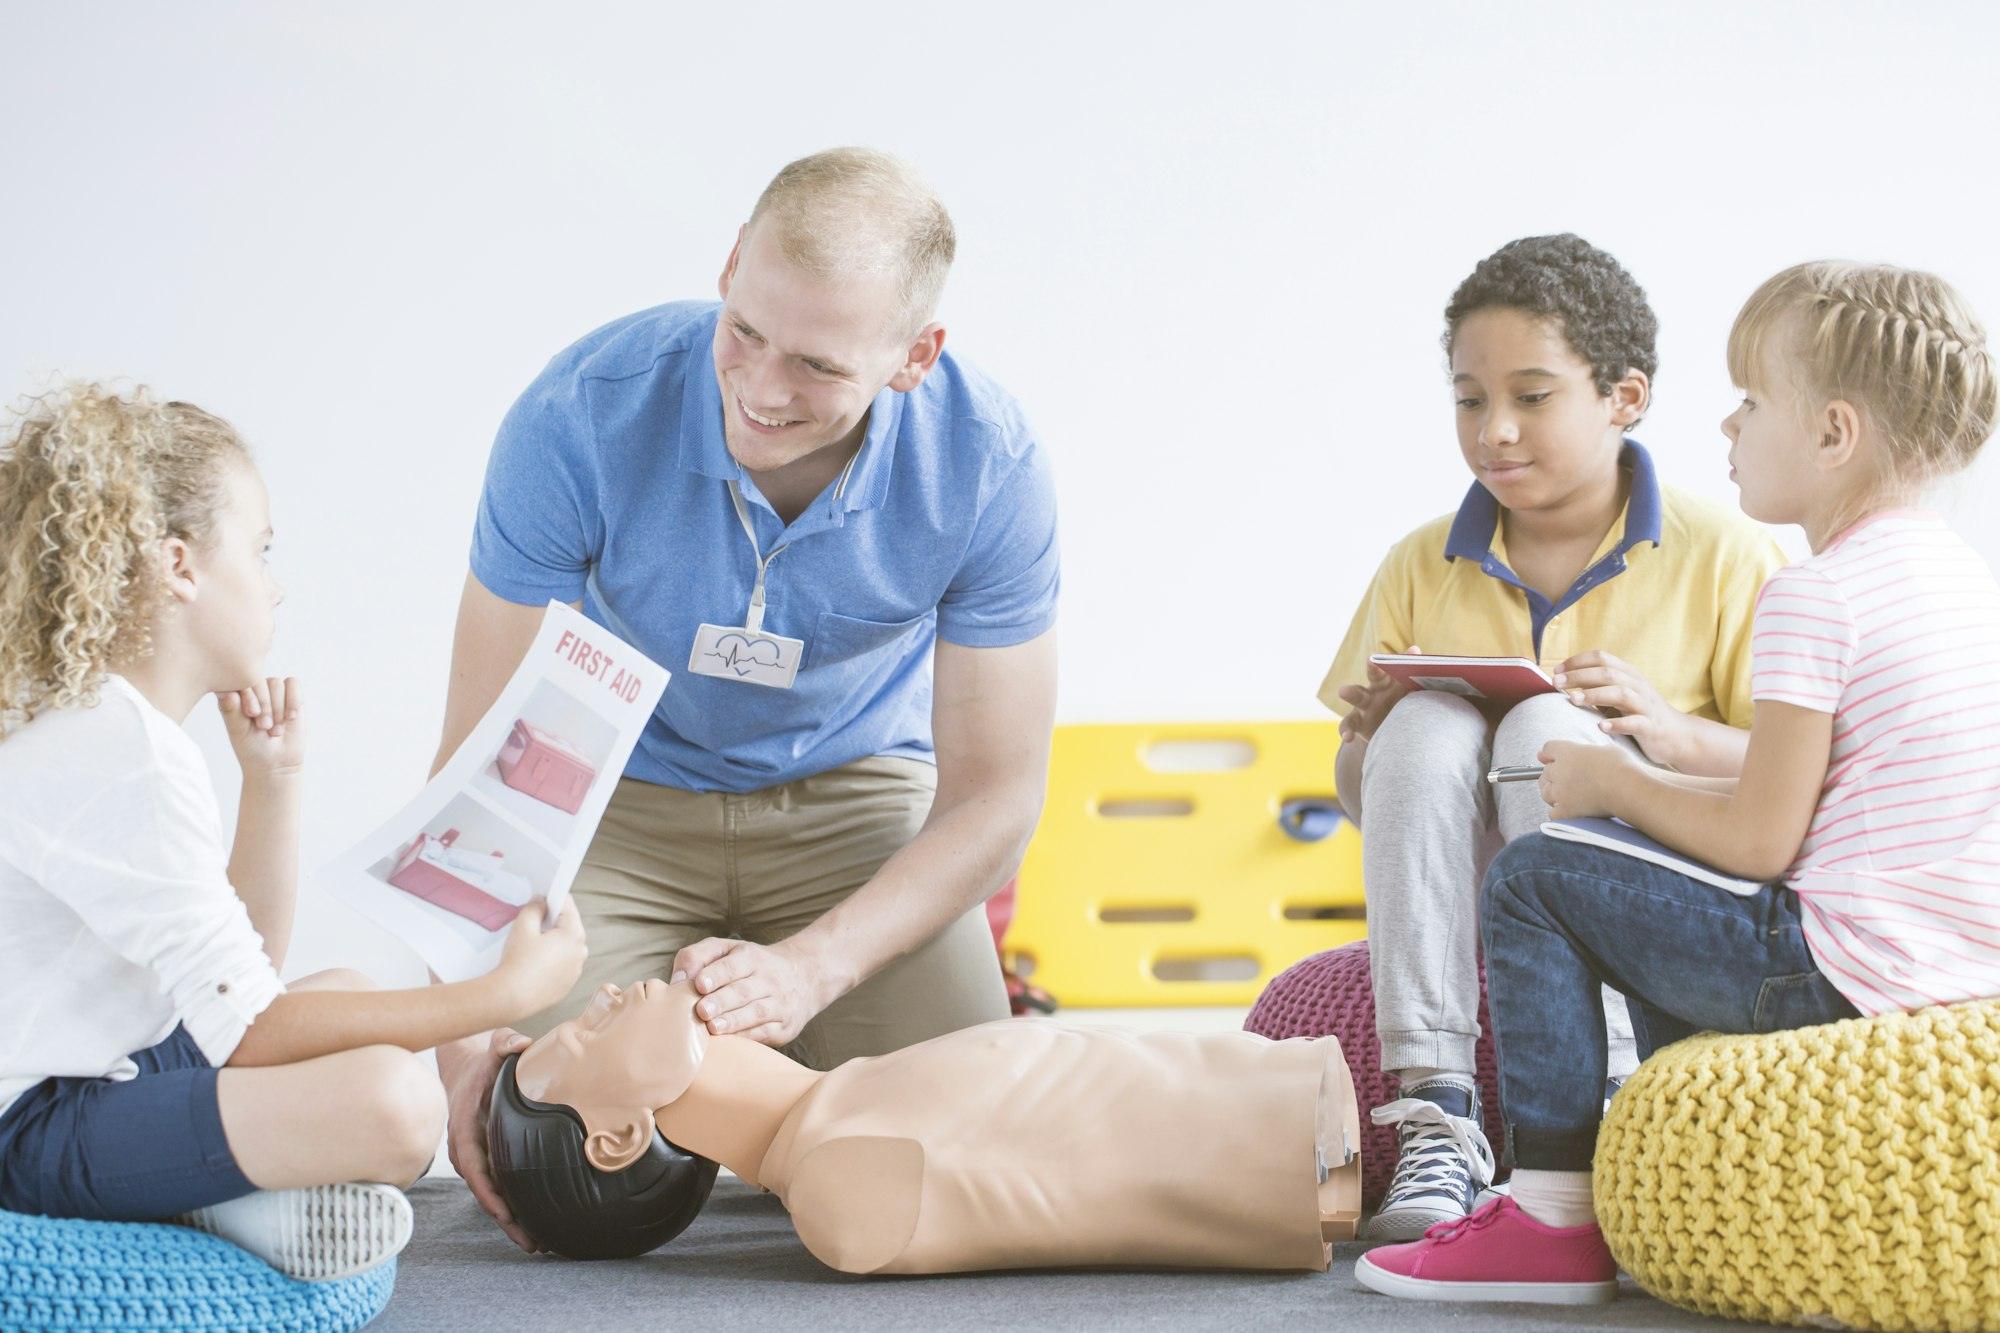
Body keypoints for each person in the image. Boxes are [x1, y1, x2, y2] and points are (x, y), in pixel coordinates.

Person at [432, 147, 1060, 1252]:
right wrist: (460, 1035)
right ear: (728, 268)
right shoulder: (577, 411)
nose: (762, 390)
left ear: (915, 357)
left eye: (817, 364)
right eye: (745, 332)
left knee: (969, 1151)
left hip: (854, 803)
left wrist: (811, 968)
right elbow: (478, 752)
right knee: (537, 1155)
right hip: (617, 796)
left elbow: (994, 800)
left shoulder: (988, 464)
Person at [1358, 260, 2000, 1304]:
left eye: (1750, 402)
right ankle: (1626, 1140)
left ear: (1832, 435)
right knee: (1629, 873)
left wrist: (1613, 785)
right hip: (1947, 966)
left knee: (1534, 875)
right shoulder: (1953, 577)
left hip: (1834, 967)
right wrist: (1666, 749)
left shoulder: (1813, 596)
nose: (1727, 428)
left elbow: (1757, 844)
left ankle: (1551, 1213)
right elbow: (1823, 773)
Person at [0, 384, 587, 1280]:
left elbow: (242, 995)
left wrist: (272, 783)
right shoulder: (123, 755)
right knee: (396, 1101)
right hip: (30, 1124)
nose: (276, 586)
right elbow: (257, 1034)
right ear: (180, 567)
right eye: (262, 550)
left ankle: (217, 1186)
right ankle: (216, 1204)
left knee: (349, 996)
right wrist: (501, 998)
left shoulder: (116, 731)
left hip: (103, 1068)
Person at [1319, 234, 1785, 1239]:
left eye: (1531, 397)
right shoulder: (1417, 561)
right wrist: (1373, 744)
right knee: (1426, 725)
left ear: (1622, 397)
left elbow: (1789, 771)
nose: (1493, 431)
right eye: (1467, 398)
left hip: (1651, 888)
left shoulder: (1728, 555)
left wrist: (1657, 728)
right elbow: (1362, 797)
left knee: (1545, 721)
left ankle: (1604, 1091)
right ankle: (1436, 1107)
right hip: (1465, 890)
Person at [487, 977, 1362, 1274]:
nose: (601, 996)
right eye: (586, 1032)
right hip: (1306, 1147)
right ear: (617, 1139)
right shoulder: (843, 1186)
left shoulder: (847, 1109)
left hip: (1304, 1095)